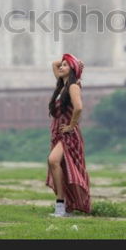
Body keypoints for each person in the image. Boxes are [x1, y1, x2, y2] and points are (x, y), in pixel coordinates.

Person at [45, 53, 92, 217]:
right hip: (58, 133)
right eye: (62, 65)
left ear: (72, 70)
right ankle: (65, 207)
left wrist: (71, 126)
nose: (61, 67)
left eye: (65, 65)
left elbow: (78, 107)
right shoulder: (62, 85)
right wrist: (74, 62)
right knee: (60, 167)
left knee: (53, 160)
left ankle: (60, 206)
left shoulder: (73, 86)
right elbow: (54, 63)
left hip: (68, 134)